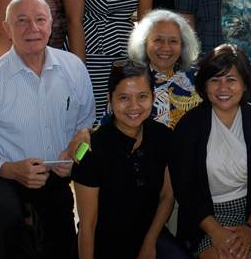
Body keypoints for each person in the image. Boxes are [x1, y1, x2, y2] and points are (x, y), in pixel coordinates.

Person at [0, 0, 95, 259]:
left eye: (40, 20)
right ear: (7, 28)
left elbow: (86, 127)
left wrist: (77, 155)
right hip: (2, 173)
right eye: (22, 21)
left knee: (59, 245)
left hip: (53, 176)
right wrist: (10, 169)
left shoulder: (73, 69)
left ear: (51, 25)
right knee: (2, 218)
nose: (33, 28)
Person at [72, 60, 191, 259]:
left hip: (151, 235)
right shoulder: (91, 148)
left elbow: (166, 197)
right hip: (105, 243)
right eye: (124, 98)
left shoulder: (164, 136)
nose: (134, 106)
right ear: (109, 99)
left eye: (142, 97)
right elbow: (87, 225)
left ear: (153, 97)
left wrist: (149, 242)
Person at [173, 44, 251, 259]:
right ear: (204, 85)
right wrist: (215, 231)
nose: (223, 88)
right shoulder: (189, 126)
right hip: (206, 220)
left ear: (244, 84)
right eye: (215, 80)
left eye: (231, 80)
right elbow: (184, 188)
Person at [128, 9, 202, 130]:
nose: (166, 48)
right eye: (158, 40)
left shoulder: (198, 78)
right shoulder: (129, 79)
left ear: (183, 45)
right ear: (144, 42)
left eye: (173, 41)